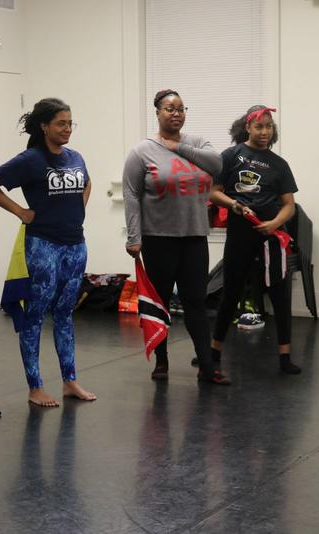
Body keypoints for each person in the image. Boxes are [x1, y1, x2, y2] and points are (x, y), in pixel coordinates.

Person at [0, 97, 96, 408]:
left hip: (75, 245)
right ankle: (35, 386)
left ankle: (70, 381)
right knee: (35, 314)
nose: (68, 129)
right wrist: (20, 211)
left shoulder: (75, 157)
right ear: (44, 126)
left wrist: (76, 213)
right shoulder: (30, 160)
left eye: (71, 123)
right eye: (61, 123)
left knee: (65, 313)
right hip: (43, 246)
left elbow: (87, 183)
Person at [122, 89, 229, 385]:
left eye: (181, 109)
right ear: (157, 112)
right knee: (160, 304)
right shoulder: (141, 151)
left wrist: (178, 147)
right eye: (169, 109)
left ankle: (207, 366)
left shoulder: (198, 143)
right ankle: (161, 361)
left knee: (196, 301)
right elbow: (131, 194)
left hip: (194, 236)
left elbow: (218, 166)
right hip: (158, 238)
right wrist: (134, 236)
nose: (176, 114)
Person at [209, 105, 302, 375]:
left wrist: (274, 223)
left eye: (269, 127)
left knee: (279, 294)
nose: (264, 132)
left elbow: (289, 205)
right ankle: (214, 351)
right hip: (240, 232)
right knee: (231, 292)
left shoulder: (279, 165)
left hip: (271, 236)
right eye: (259, 126)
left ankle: (285, 358)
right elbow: (214, 193)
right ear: (247, 127)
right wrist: (236, 205)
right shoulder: (231, 156)